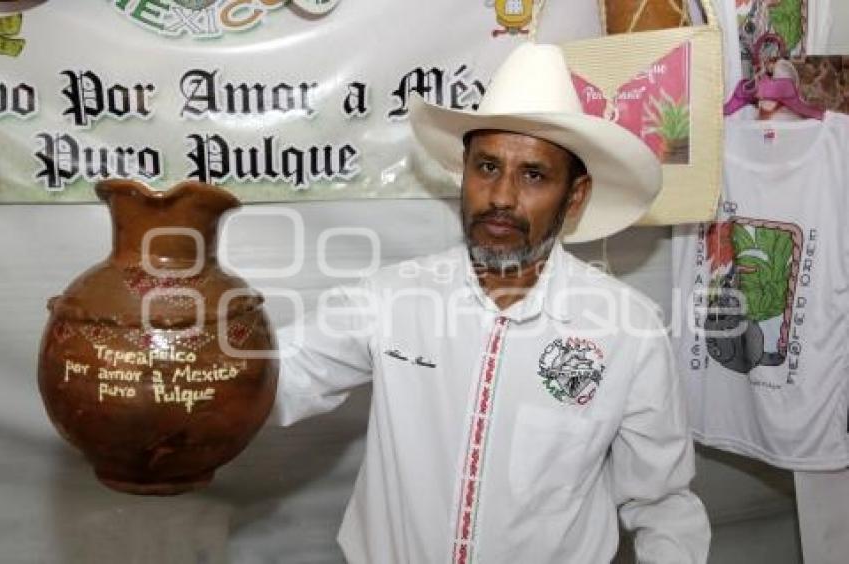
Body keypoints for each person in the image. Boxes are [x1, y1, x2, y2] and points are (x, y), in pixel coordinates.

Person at [274, 43, 710, 563]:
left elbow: (662, 501)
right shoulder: (392, 298)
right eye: (486, 167)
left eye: (533, 175)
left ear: (574, 197)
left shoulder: (627, 330)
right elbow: (279, 374)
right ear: (465, 172)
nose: (501, 196)